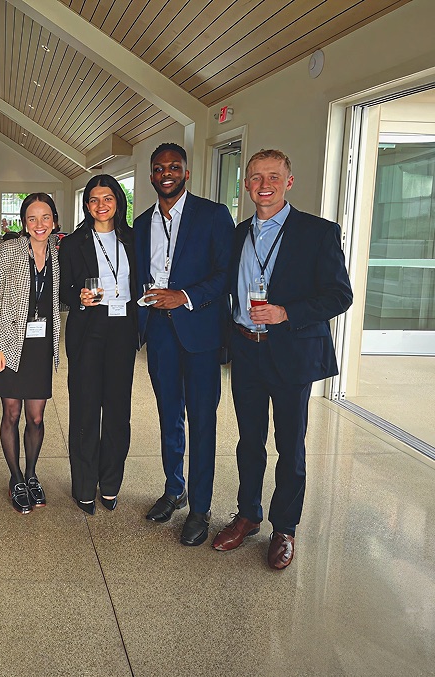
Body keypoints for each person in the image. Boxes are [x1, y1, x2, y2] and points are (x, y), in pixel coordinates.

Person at [211, 149, 353, 569]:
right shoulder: (237, 234)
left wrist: (286, 312)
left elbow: (339, 295)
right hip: (245, 350)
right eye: (256, 177)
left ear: (289, 182)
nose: (264, 184)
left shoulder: (318, 232)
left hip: (291, 351)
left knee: (290, 444)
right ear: (246, 185)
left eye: (273, 176)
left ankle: (285, 528)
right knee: (248, 441)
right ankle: (248, 515)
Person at [134, 142, 234, 546]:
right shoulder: (142, 223)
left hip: (200, 334)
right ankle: (174, 489)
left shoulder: (213, 215)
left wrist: (184, 296)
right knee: (169, 414)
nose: (166, 174)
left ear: (186, 173)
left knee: (202, 420)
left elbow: (226, 273)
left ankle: (201, 507)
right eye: (159, 169)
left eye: (174, 167)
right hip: (159, 332)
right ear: (152, 176)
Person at [59, 175, 138, 514]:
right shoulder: (73, 243)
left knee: (118, 411)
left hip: (123, 328)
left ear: (118, 201)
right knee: (85, 410)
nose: (101, 205)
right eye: (93, 199)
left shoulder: (134, 238)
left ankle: (110, 483)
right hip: (88, 329)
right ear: (86, 205)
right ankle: (83, 485)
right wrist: (77, 298)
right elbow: (62, 290)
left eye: (107, 198)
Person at [0, 193, 61, 514]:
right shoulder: (10, 250)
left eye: (45, 217)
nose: (39, 224)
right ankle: (15, 477)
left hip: (40, 347)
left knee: (36, 417)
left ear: (54, 221)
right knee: (12, 414)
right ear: (24, 223)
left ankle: (31, 474)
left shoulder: (57, 252)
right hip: (10, 343)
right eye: (32, 218)